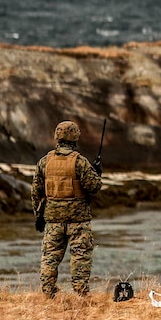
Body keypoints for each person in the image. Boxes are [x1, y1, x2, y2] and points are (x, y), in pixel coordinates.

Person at [31, 120, 103, 298]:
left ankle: (48, 294)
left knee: (50, 258)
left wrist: (38, 216)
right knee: (80, 257)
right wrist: (97, 173)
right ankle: (80, 294)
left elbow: (36, 192)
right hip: (78, 220)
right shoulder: (80, 162)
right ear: (75, 138)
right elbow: (94, 187)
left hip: (53, 219)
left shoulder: (44, 162)